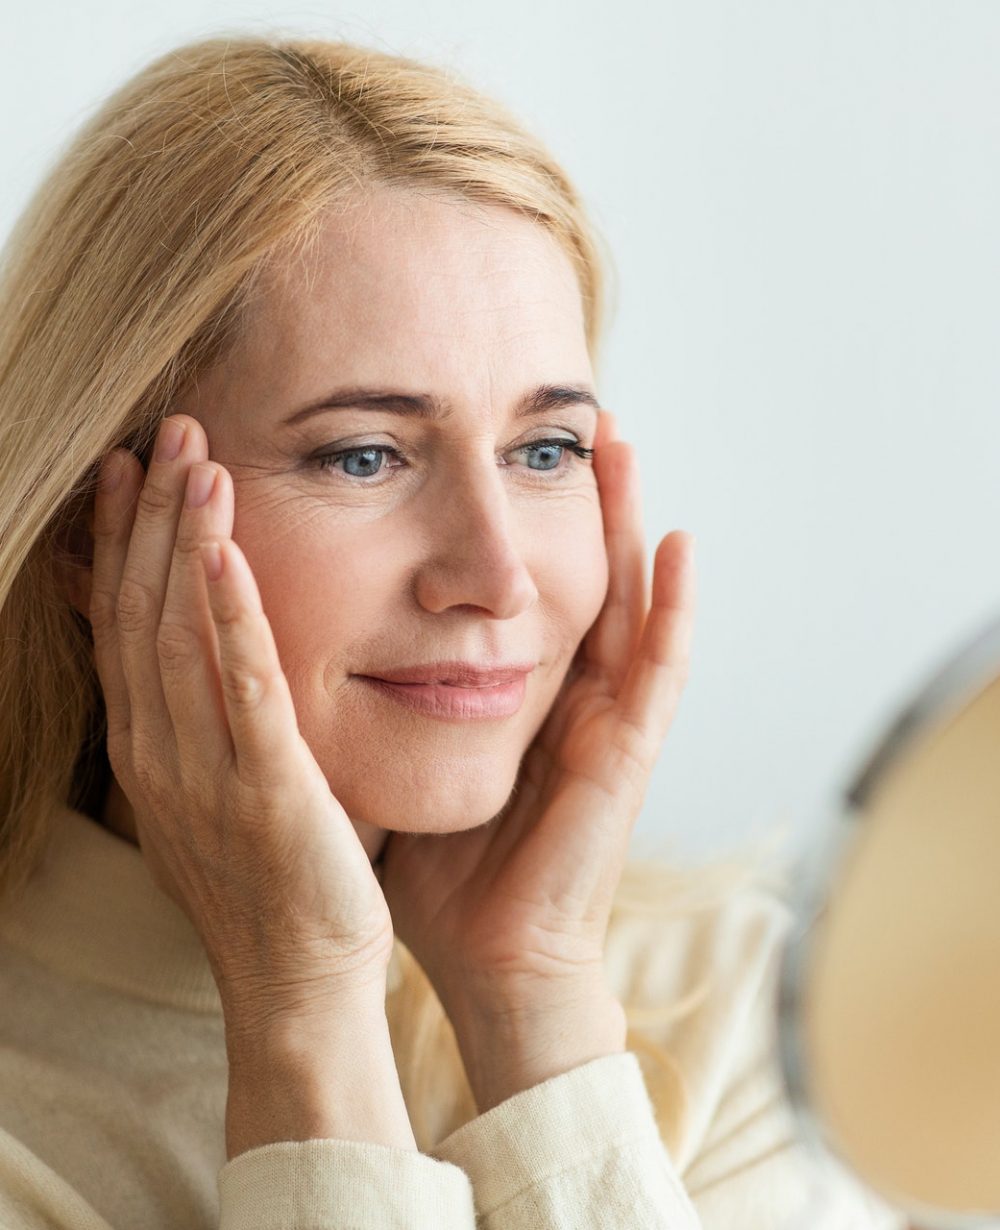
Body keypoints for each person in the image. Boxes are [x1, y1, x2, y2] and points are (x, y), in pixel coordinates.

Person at [0, 31, 906, 1229]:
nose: (494, 575)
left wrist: (533, 1009)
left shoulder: (735, 1010)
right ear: (84, 535)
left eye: (545, 450)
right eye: (363, 455)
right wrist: (303, 1018)